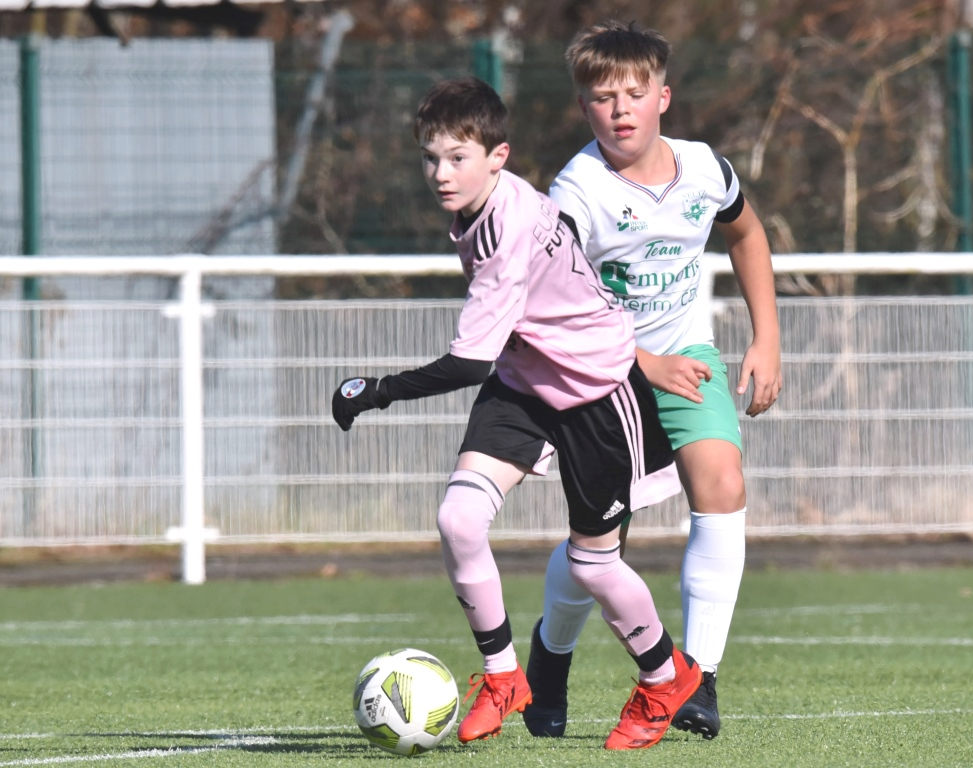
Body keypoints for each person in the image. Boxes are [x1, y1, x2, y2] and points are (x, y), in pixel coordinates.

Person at [331, 76, 702, 751]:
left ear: (497, 156)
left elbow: (467, 364)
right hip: (526, 383)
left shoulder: (506, 230)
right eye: (430, 158)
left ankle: (664, 678)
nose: (441, 174)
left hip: (596, 389)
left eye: (458, 158)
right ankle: (504, 677)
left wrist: (375, 390)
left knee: (593, 567)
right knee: (459, 518)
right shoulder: (486, 203)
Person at [522, 21, 783, 741]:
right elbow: (554, 308)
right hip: (597, 374)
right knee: (599, 543)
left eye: (635, 94)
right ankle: (551, 653)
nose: (621, 110)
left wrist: (766, 337)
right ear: (583, 107)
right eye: (603, 98)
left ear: (663, 97)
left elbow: (746, 233)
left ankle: (698, 679)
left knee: (722, 482)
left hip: (685, 354)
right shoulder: (575, 194)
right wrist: (641, 362)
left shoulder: (704, 168)